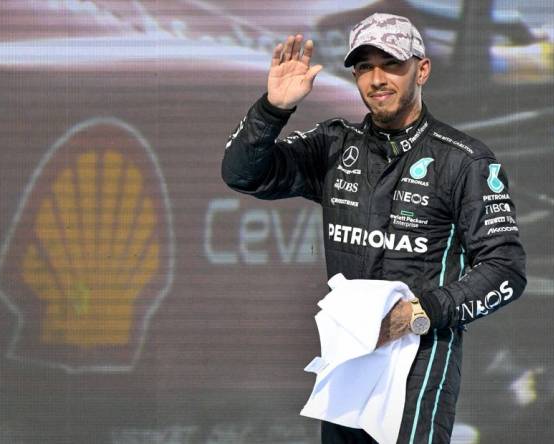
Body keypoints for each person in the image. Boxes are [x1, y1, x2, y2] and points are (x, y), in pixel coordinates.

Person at [221, 13, 526, 444]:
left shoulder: (464, 160)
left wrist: (418, 314)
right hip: (347, 360)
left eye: (391, 64)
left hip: (419, 363)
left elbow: (506, 268)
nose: (376, 78)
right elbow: (241, 175)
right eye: (364, 67)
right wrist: (273, 110)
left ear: (422, 69)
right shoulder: (333, 145)